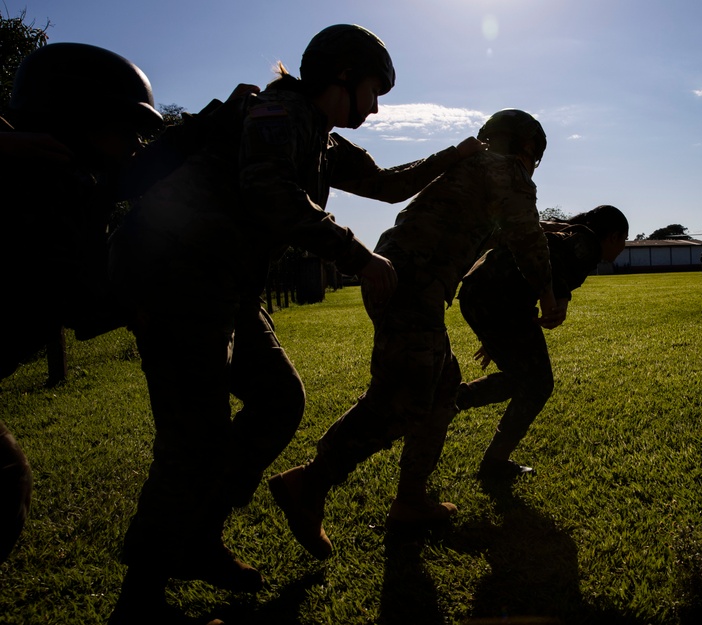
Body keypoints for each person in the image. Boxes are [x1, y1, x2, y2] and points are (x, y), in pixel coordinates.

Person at [106, 24, 484, 624]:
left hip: (228, 288)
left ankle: (199, 539)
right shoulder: (276, 112)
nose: (377, 105)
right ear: (342, 77)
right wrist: (357, 255)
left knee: (279, 400)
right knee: (194, 440)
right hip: (178, 282)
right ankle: (139, 602)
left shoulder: (324, 140)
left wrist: (452, 157)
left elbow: (385, 186)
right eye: (373, 89)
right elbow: (269, 192)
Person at [268, 108, 560, 559]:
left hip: (406, 279)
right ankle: (309, 481)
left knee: (441, 391)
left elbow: (497, 232)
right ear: (527, 149)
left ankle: (410, 501)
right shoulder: (506, 169)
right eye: (534, 158)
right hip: (412, 282)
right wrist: (548, 292)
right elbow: (523, 233)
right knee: (400, 396)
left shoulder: (474, 167)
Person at [0, 42, 167, 567]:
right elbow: (84, 296)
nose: (136, 147)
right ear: (81, 118)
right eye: (127, 129)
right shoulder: (29, 179)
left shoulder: (58, 181)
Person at [456, 205, 629, 480]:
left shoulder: (572, 234)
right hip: (498, 299)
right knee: (537, 384)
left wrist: (496, 336)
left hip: (483, 293)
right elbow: (547, 259)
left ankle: (454, 404)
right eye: (623, 240)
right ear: (613, 236)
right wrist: (558, 299)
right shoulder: (585, 243)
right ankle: (458, 409)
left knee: (525, 379)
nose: (622, 248)